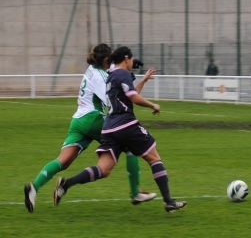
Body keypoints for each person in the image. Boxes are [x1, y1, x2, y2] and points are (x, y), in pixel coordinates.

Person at [24, 43, 156, 213]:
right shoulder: (101, 76)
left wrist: (127, 70)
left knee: (63, 161)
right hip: (93, 118)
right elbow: (112, 100)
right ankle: (135, 192)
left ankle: (34, 187)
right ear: (107, 59)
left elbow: (109, 72)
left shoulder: (92, 70)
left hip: (78, 121)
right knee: (130, 146)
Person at [53, 46, 187, 213]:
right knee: (154, 158)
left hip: (109, 127)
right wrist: (152, 104)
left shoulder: (110, 77)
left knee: (103, 169)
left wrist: (143, 80)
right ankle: (168, 201)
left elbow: (128, 94)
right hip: (126, 124)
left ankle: (67, 184)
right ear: (126, 58)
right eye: (131, 59)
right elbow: (132, 97)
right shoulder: (122, 74)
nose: (132, 63)